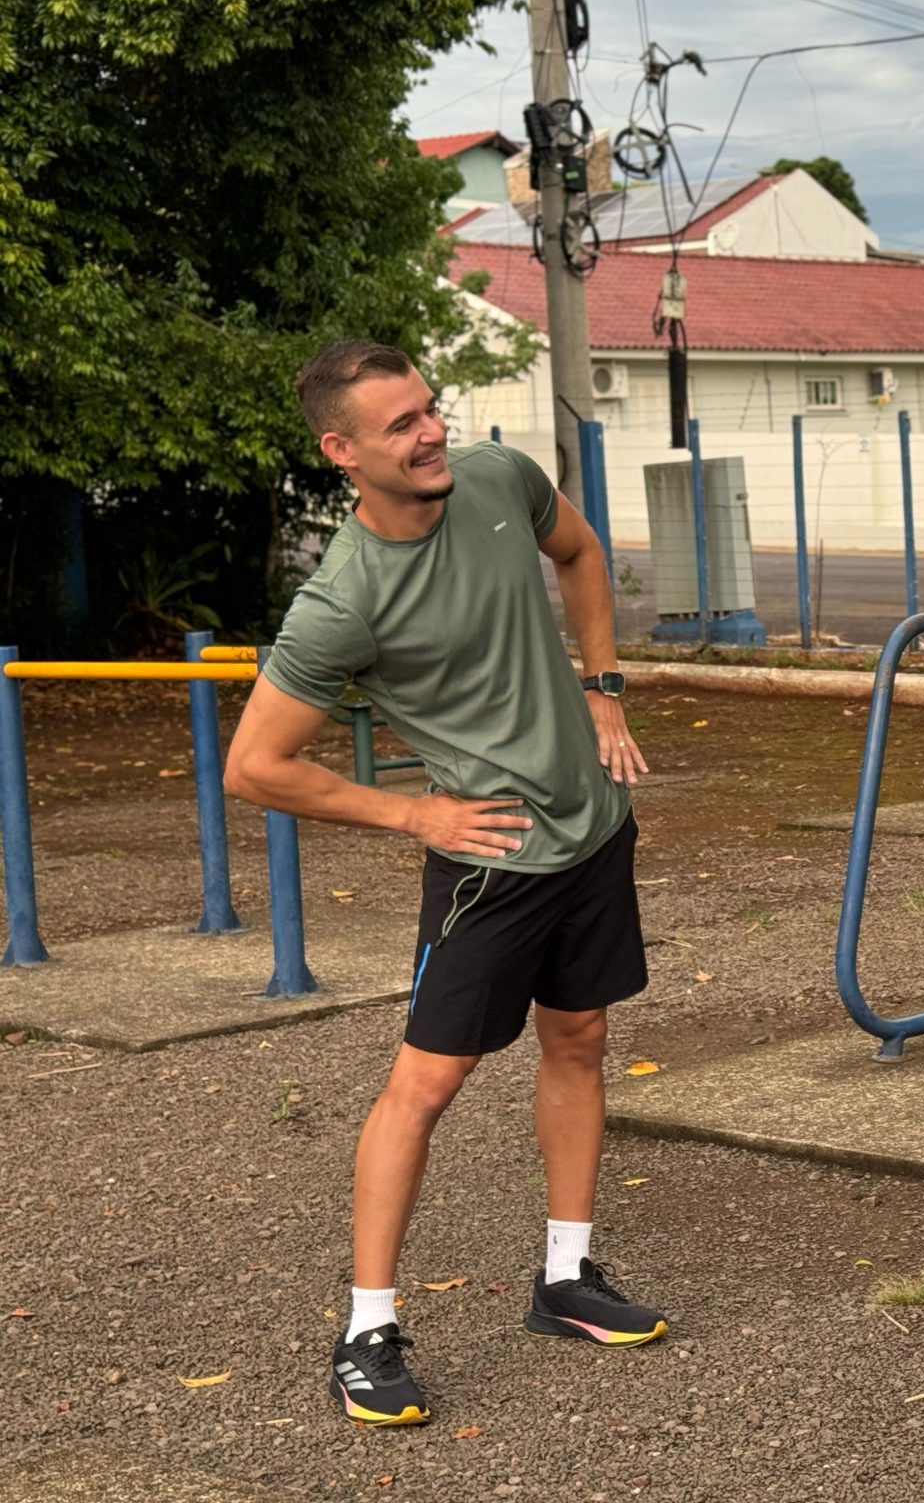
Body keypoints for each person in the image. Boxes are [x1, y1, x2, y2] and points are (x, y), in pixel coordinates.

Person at [225, 341, 664, 1429]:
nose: (430, 435)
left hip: (592, 828)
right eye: (400, 426)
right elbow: (255, 766)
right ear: (341, 452)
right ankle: (366, 1331)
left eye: (429, 410)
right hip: (490, 868)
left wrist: (604, 686)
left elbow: (581, 552)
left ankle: (565, 1276)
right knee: (423, 1087)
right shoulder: (342, 601)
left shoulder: (498, 478)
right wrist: (414, 813)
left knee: (580, 1039)